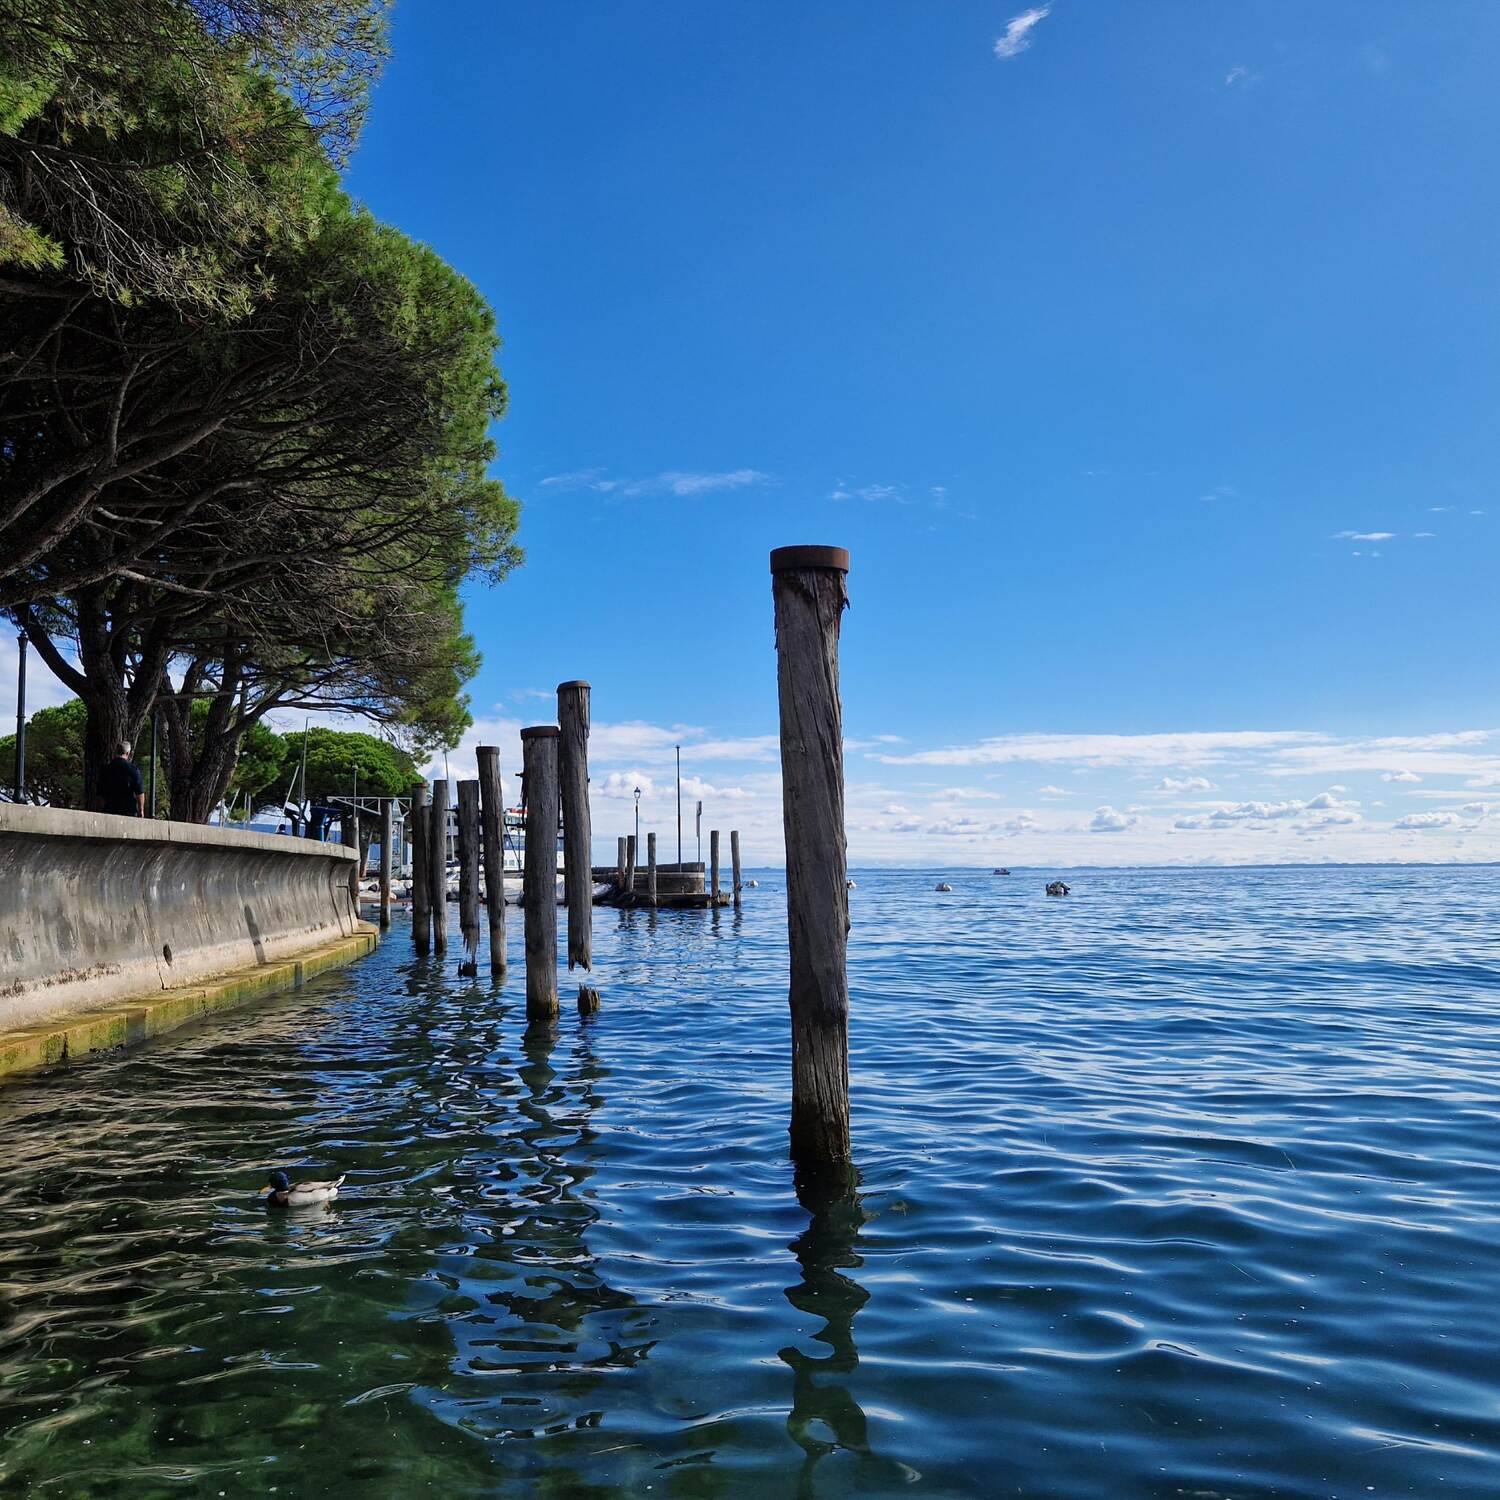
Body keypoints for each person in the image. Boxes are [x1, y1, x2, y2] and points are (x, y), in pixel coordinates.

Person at [98, 740, 145, 818]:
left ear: (116, 752)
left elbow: (100, 793)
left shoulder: (106, 769)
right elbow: (139, 792)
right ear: (127, 753)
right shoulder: (133, 769)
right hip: (128, 810)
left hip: (110, 809)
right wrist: (141, 810)